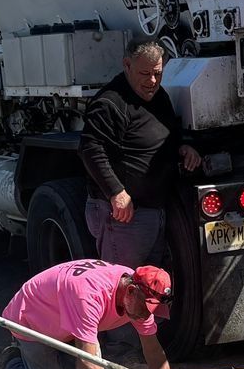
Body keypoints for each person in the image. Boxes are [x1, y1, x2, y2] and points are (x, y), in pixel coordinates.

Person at [0, 262, 176, 369]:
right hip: (32, 322)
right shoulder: (89, 296)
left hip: (68, 323)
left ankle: (56, 362)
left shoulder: (141, 294)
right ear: (131, 291)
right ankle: (11, 367)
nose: (146, 315)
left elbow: (153, 350)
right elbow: (87, 364)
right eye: (145, 309)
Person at [78, 41, 202, 267]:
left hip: (154, 210)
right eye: (145, 73)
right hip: (124, 215)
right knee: (123, 287)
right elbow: (90, 148)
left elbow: (169, 132)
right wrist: (116, 192)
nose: (152, 81)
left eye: (158, 73)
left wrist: (182, 147)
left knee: (148, 287)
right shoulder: (110, 102)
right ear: (127, 65)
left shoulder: (159, 96)